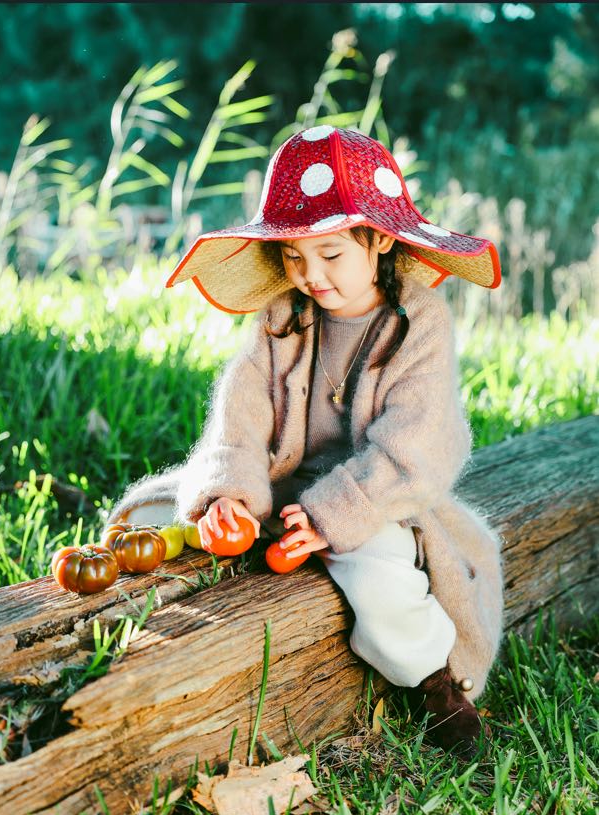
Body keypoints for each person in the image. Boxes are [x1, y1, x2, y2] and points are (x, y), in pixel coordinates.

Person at [106, 125, 504, 757]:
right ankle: (139, 589)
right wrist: (229, 497)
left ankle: (435, 682)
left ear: (376, 241)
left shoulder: (416, 324)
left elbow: (419, 444)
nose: (311, 274)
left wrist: (331, 517)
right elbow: (240, 415)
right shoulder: (282, 318)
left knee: (381, 578)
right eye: (294, 256)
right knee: (162, 510)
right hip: (279, 486)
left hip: (370, 500)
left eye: (330, 254)